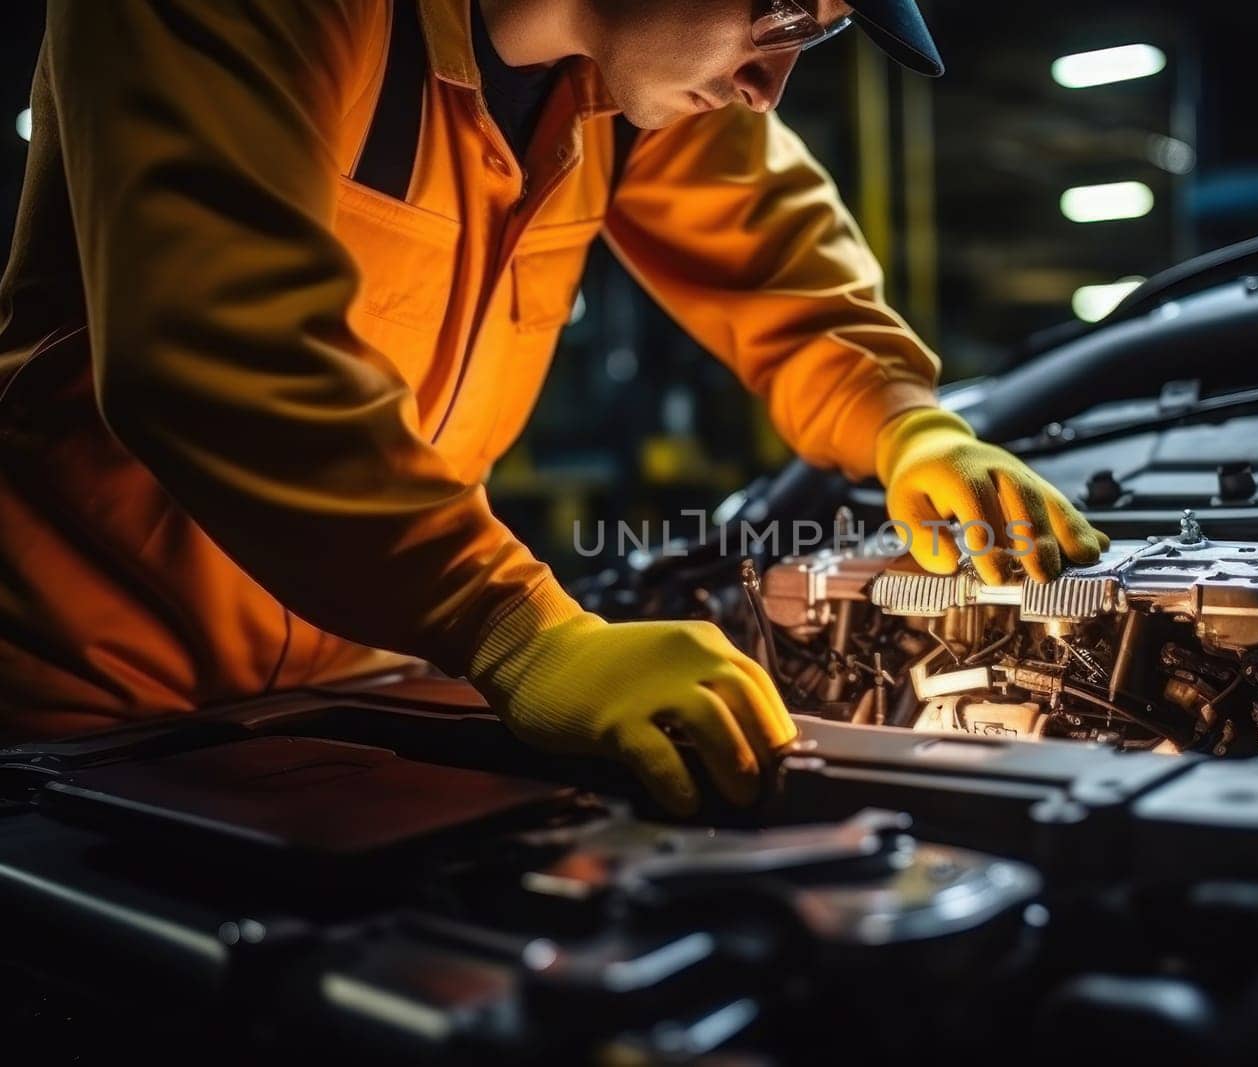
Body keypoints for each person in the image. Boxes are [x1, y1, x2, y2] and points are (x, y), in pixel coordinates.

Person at [0, 0, 1108, 813]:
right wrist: (516, 627)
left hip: (361, 678)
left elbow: (780, 258)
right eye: (780, 13)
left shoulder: (615, 78)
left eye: (809, 33)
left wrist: (907, 421)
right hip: (82, 703)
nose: (770, 83)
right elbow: (218, 352)